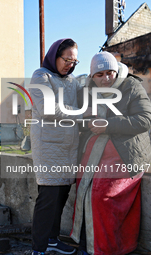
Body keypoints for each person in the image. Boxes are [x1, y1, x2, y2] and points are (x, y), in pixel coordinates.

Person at [71, 51, 151, 255]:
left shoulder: (131, 86)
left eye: (110, 73)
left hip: (125, 154)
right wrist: (85, 120)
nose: (106, 78)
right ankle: (86, 244)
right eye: (100, 74)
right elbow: (77, 121)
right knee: (83, 191)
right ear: (91, 76)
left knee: (101, 197)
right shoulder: (87, 89)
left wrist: (107, 124)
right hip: (94, 152)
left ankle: (106, 248)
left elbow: (144, 120)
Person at [29, 38, 92, 255]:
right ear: (55, 56)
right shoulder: (41, 76)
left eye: (74, 61)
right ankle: (38, 248)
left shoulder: (73, 81)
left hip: (69, 148)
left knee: (62, 196)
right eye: (67, 59)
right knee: (48, 199)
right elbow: (48, 108)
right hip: (48, 148)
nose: (70, 65)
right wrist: (81, 113)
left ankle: (53, 240)